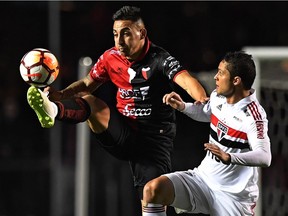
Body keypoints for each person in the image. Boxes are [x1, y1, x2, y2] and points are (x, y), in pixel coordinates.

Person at [26, 5, 207, 215]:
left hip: (153, 142)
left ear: (142, 33)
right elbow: (87, 83)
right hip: (121, 131)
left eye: (126, 33)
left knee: (152, 201)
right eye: (115, 34)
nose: (119, 41)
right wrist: (60, 95)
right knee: (90, 101)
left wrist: (203, 100)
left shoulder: (160, 59)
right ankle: (53, 110)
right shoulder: (110, 57)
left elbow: (187, 81)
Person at [142, 51, 272, 216]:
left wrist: (229, 157)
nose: (215, 77)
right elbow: (208, 112)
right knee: (153, 190)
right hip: (203, 180)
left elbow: (265, 157)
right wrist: (183, 107)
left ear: (236, 80)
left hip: (233, 198)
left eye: (221, 73)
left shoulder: (254, 117)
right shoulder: (219, 97)